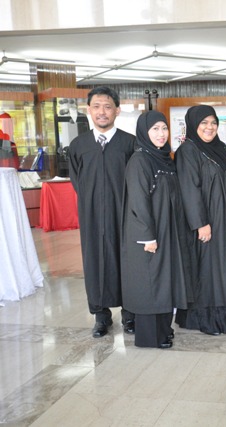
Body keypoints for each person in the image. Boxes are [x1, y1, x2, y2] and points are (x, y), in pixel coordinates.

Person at [174, 105, 226, 335]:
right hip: (207, 223)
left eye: (213, 123)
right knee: (208, 270)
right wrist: (200, 223)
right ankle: (206, 320)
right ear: (193, 125)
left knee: (223, 268)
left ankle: (223, 318)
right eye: (204, 123)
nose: (209, 127)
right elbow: (190, 189)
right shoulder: (188, 150)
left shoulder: (221, 148)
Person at [68, 86, 136, 338]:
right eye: (96, 106)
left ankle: (130, 314)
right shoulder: (79, 145)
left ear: (117, 110)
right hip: (92, 215)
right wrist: (93, 202)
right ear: (89, 110)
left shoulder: (130, 143)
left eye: (108, 106)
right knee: (95, 262)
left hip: (124, 213)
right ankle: (100, 316)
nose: (102, 112)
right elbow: (77, 181)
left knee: (126, 261)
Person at [121, 111, 192, 349]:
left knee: (164, 282)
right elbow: (138, 201)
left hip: (167, 231)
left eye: (164, 128)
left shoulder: (163, 158)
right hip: (149, 234)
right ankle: (150, 337)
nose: (161, 134)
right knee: (150, 284)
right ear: (144, 132)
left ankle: (163, 330)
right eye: (155, 129)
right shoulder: (140, 161)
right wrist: (147, 236)